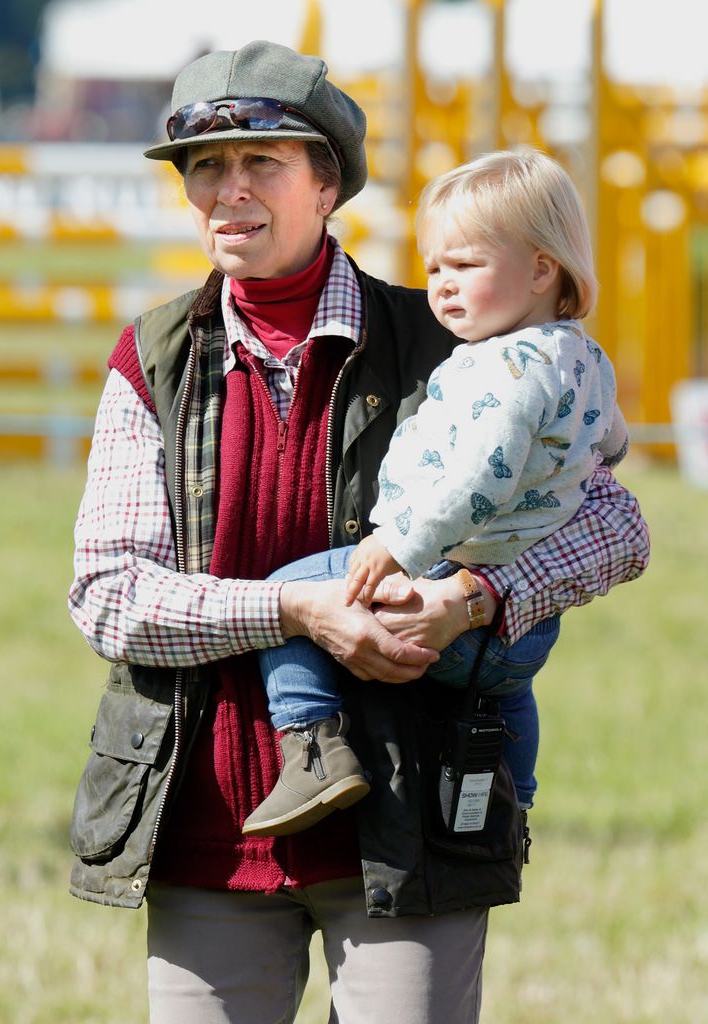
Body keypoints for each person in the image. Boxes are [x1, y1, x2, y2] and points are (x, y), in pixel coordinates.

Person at [67, 40, 650, 1024]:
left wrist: (473, 598)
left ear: (327, 182)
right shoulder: (148, 358)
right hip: (210, 828)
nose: (228, 190)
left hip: (412, 819)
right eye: (205, 166)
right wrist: (300, 611)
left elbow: (616, 523)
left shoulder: (458, 337)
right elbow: (110, 597)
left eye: (262, 161)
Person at [241, 148, 630, 840]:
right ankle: (514, 800)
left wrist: (399, 545)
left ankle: (312, 745)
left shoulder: (507, 369)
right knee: (508, 691)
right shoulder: (583, 355)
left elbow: (477, 481)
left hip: (450, 573)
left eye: (466, 265)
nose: (443, 287)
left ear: (542, 269)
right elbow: (613, 441)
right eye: (434, 269)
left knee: (290, 593)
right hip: (527, 621)